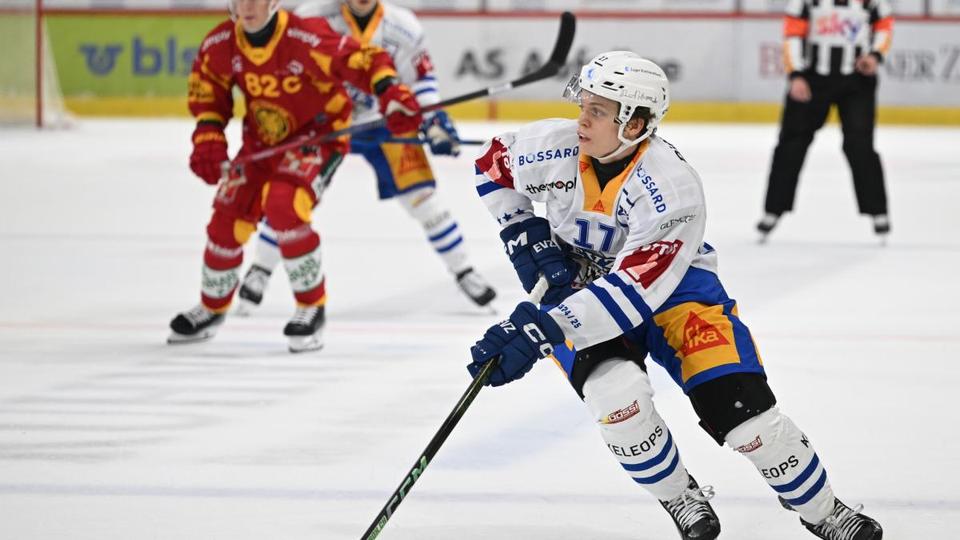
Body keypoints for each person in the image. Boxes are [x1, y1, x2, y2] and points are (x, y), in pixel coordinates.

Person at [468, 51, 883, 540]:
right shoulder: (552, 146)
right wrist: (523, 233)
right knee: (617, 404)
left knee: (747, 417)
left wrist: (544, 328)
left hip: (676, 294)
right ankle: (679, 496)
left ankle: (824, 511)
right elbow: (491, 164)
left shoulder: (672, 186)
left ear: (636, 123)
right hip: (578, 286)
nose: (582, 119)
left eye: (599, 111)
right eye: (584, 104)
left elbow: (632, 294)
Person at [168, 0, 422, 352]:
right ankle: (211, 308)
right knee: (226, 220)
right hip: (262, 145)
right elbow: (209, 93)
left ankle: (310, 306)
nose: (247, 6)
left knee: (284, 206)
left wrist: (392, 92)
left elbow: (366, 60)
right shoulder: (220, 43)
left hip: (316, 139)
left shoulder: (305, 36)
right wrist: (208, 137)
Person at [232, 0, 496, 313]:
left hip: (386, 125)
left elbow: (421, 81)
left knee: (424, 200)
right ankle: (261, 268)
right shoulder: (309, 18)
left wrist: (435, 122)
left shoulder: (404, 26)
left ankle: (464, 270)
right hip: (326, 124)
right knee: (291, 199)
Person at [758, 0, 894, 241]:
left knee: (859, 145)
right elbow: (792, 34)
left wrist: (874, 55)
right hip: (812, 80)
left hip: (857, 81)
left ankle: (877, 211)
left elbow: (884, 24)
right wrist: (796, 75)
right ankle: (773, 209)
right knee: (791, 143)